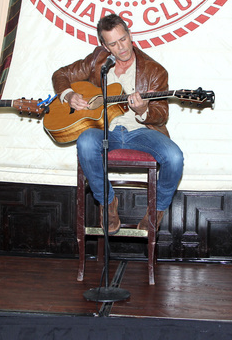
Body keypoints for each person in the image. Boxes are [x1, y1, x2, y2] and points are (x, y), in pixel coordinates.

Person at [52, 13, 184, 235]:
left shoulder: (155, 71)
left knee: (175, 157)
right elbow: (61, 74)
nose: (121, 47)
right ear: (104, 45)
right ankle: (108, 202)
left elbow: (161, 114)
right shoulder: (98, 61)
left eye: (123, 39)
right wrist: (69, 95)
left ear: (130, 35)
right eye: (113, 43)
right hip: (106, 131)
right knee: (85, 142)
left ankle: (156, 211)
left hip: (140, 131)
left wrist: (143, 110)